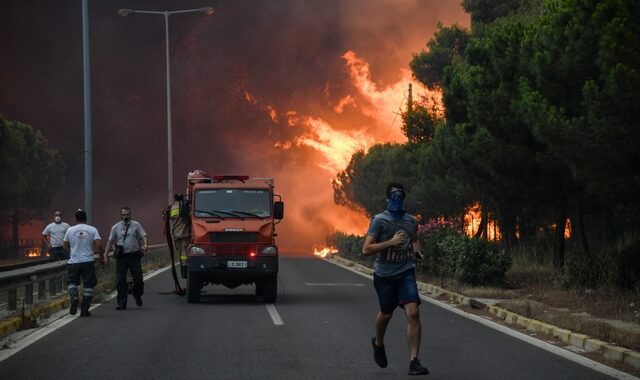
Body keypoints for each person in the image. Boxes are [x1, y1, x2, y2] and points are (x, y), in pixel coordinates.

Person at [361, 182, 429, 376]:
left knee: (413, 312)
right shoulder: (379, 221)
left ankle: (414, 362)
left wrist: (417, 253)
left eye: (400, 195)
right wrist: (391, 242)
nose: (397, 199)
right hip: (384, 275)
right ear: (388, 198)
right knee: (387, 313)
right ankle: (378, 342)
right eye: (394, 196)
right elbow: (366, 249)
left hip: (406, 271)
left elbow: (414, 238)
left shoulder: (411, 220)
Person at [104, 206, 148, 310]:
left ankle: (137, 294)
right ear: (121, 215)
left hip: (134, 256)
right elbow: (110, 241)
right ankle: (121, 303)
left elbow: (144, 235)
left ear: (130, 214)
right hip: (121, 257)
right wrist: (106, 255)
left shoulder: (136, 225)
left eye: (128, 215)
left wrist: (145, 244)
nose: (126, 217)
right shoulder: (115, 227)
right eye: (124, 215)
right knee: (120, 280)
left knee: (138, 279)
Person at [63, 209, 103, 317]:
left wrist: (72, 253)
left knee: (71, 282)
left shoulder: (70, 230)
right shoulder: (92, 229)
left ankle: (74, 297)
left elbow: (65, 246)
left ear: (76, 219)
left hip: (74, 262)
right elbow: (99, 246)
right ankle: (85, 309)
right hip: (88, 262)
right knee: (88, 285)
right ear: (86, 218)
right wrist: (102, 259)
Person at [169, 193, 191, 268]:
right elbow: (190, 217)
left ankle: (182, 263)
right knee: (185, 249)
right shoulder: (186, 206)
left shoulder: (171, 208)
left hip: (176, 233)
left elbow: (170, 219)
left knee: (180, 250)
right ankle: (185, 265)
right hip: (185, 232)